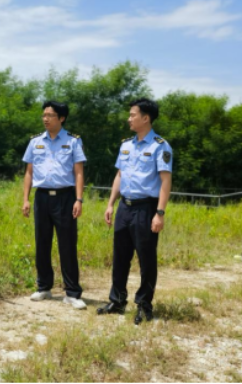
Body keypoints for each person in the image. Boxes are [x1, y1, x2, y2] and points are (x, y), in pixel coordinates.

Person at [97, 98, 173, 325]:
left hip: (146, 208)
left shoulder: (160, 146)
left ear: (146, 118)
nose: (128, 119)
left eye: (132, 115)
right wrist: (111, 203)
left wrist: (159, 213)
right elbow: (119, 175)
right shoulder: (126, 145)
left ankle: (144, 305)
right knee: (120, 257)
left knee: (146, 258)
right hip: (124, 207)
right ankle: (117, 301)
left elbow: (165, 181)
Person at [22, 101, 88, 310]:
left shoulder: (73, 141)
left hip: (65, 197)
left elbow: (79, 172)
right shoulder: (35, 141)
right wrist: (26, 199)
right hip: (42, 196)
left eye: (50, 115)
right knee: (42, 242)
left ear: (61, 118)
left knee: (67, 244)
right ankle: (44, 287)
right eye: (44, 115)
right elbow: (29, 172)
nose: (45, 119)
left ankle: (72, 292)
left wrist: (79, 199)